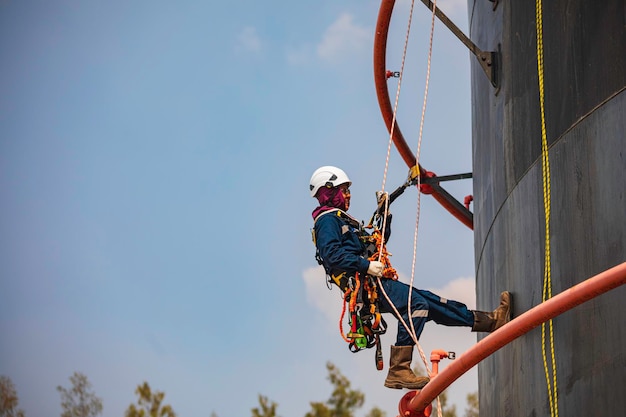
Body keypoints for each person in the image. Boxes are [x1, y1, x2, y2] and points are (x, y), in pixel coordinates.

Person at [309, 166, 511, 390]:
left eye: (348, 190)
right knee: (416, 304)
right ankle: (398, 370)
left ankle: (491, 321)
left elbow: (376, 241)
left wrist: (385, 213)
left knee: (430, 302)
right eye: (343, 190)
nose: (348, 195)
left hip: (375, 282)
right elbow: (332, 255)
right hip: (366, 287)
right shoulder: (327, 221)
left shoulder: (344, 219)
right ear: (327, 191)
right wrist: (365, 266)